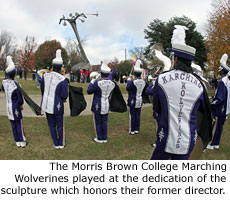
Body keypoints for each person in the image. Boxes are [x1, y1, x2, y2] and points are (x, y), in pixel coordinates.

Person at [148, 25, 207, 160]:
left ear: (175, 59)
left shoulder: (162, 79)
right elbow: (201, 110)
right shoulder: (199, 84)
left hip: (165, 137)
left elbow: (156, 107)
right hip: (188, 140)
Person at [40, 49, 68, 149]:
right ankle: (61, 143)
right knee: (60, 125)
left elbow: (42, 90)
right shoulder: (63, 79)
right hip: (57, 106)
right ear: (61, 67)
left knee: (51, 125)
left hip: (47, 105)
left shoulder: (45, 76)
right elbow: (64, 95)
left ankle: (55, 143)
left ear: (52, 66)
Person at [1, 56, 27, 148]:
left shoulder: (4, 82)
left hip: (8, 107)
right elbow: (20, 99)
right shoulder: (16, 84)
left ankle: (16, 140)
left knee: (13, 124)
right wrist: (21, 105)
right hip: (15, 106)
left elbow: (3, 89)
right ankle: (21, 141)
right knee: (18, 124)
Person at [87, 61, 115, 143]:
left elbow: (89, 91)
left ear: (101, 72)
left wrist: (92, 81)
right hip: (106, 104)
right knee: (104, 122)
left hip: (98, 104)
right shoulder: (112, 83)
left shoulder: (97, 82)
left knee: (98, 122)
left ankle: (99, 138)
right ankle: (104, 137)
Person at [206, 54, 230, 150]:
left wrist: (212, 104)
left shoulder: (222, 82)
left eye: (220, 71)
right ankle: (216, 143)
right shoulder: (227, 81)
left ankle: (212, 144)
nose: (219, 73)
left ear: (223, 71)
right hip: (226, 108)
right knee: (219, 126)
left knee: (215, 126)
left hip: (220, 108)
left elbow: (220, 98)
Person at [126, 60, 146, 135]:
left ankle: (132, 130)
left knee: (132, 114)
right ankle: (137, 129)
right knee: (137, 115)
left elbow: (127, 88)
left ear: (134, 73)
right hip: (139, 99)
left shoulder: (133, 81)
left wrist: (128, 81)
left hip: (133, 99)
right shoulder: (143, 81)